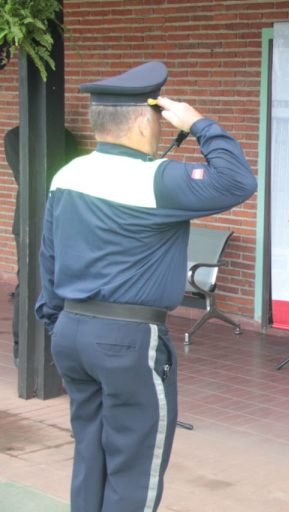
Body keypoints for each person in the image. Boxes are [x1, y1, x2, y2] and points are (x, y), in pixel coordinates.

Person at [35, 61, 257, 511]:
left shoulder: (67, 175)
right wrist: (198, 124)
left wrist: (59, 321)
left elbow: (49, 257)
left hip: (72, 331)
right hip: (128, 339)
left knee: (91, 455)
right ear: (142, 121)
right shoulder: (156, 178)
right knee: (134, 467)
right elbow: (237, 181)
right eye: (156, 119)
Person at [3, 125, 82, 365]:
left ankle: (56, 345)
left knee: (60, 280)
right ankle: (22, 349)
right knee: (28, 281)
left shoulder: (65, 136)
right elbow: (25, 176)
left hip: (61, 217)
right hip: (28, 220)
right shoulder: (15, 136)